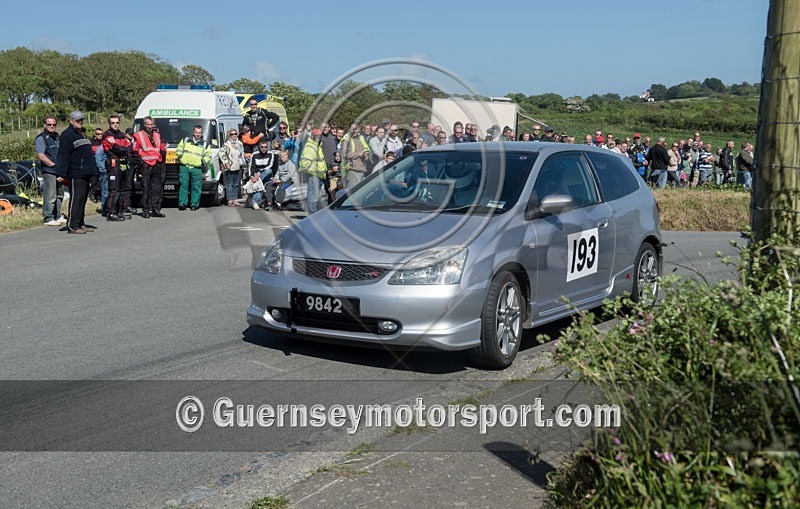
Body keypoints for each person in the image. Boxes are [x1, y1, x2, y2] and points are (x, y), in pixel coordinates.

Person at [56, 111, 98, 234]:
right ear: (71, 121)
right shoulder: (67, 135)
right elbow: (63, 155)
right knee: (76, 199)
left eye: (81, 120)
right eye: (77, 120)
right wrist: (61, 174)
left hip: (86, 171)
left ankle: (80, 223)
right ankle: (72, 226)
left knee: (83, 199)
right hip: (76, 172)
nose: (80, 122)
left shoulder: (82, 133)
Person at [132, 116, 167, 218]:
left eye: (151, 124)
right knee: (146, 188)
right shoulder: (139, 136)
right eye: (148, 124)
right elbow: (134, 152)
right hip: (145, 165)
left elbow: (162, 147)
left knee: (157, 188)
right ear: (144, 125)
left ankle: (156, 209)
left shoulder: (157, 135)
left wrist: (162, 154)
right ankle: (146, 209)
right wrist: (142, 163)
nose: (150, 127)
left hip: (157, 164)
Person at [101, 115, 134, 220]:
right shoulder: (107, 135)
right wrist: (124, 149)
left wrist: (125, 149)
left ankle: (120, 211)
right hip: (113, 163)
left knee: (122, 188)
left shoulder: (121, 134)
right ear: (109, 124)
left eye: (117, 123)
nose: (115, 125)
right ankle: (111, 212)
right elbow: (116, 148)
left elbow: (129, 146)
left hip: (123, 164)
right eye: (113, 123)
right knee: (114, 189)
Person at [36, 116, 65, 226]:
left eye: (53, 124)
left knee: (60, 195)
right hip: (49, 171)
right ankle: (48, 217)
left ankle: (57, 215)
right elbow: (41, 155)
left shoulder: (58, 137)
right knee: (50, 195)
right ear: (45, 125)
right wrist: (53, 165)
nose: (52, 126)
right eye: (49, 124)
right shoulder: (41, 138)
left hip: (60, 170)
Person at [176, 124, 211, 211]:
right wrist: (181, 157)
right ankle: (182, 203)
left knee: (196, 187)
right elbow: (179, 149)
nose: (197, 134)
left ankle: (194, 204)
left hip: (196, 168)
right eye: (196, 132)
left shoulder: (205, 144)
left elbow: (208, 156)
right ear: (193, 132)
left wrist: (202, 162)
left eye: (199, 133)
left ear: (202, 133)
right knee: (183, 186)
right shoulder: (185, 140)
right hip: (184, 167)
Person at [299, 128, 327, 214]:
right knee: (313, 198)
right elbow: (304, 163)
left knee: (317, 198)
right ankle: (312, 215)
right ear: (312, 136)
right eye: (316, 136)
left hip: (319, 176)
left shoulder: (318, 146)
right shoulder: (310, 146)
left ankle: (314, 215)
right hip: (313, 175)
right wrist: (316, 170)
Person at [219, 128, 245, 206]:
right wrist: (226, 163)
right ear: (229, 135)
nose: (234, 135)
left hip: (239, 166)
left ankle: (235, 199)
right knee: (230, 184)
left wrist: (244, 163)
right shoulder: (226, 145)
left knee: (236, 184)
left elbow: (242, 154)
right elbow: (222, 154)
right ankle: (230, 200)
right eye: (232, 134)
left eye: (235, 134)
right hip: (230, 166)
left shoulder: (240, 144)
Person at [341, 123, 371, 188]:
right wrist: (359, 154)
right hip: (352, 170)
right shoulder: (346, 139)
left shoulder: (360, 138)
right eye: (352, 129)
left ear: (359, 129)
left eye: (356, 129)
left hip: (362, 169)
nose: (354, 131)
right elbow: (344, 154)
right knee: (352, 194)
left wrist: (366, 154)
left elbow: (366, 149)